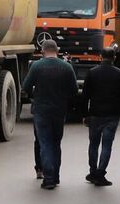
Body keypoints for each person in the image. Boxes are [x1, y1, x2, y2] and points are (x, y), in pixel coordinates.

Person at [20, 40, 77, 189]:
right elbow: (74, 91)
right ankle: (56, 176)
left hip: (41, 110)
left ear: (43, 51)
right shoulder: (67, 67)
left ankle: (49, 178)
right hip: (59, 110)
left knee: (45, 143)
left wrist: (35, 96)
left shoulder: (36, 66)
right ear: (56, 51)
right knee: (56, 143)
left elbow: (25, 87)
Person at [80, 46, 120, 186]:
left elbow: (85, 96)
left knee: (93, 144)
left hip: (95, 114)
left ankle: (92, 171)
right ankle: (101, 173)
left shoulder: (92, 73)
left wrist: (84, 114)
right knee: (107, 145)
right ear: (114, 58)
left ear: (101, 57)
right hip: (112, 115)